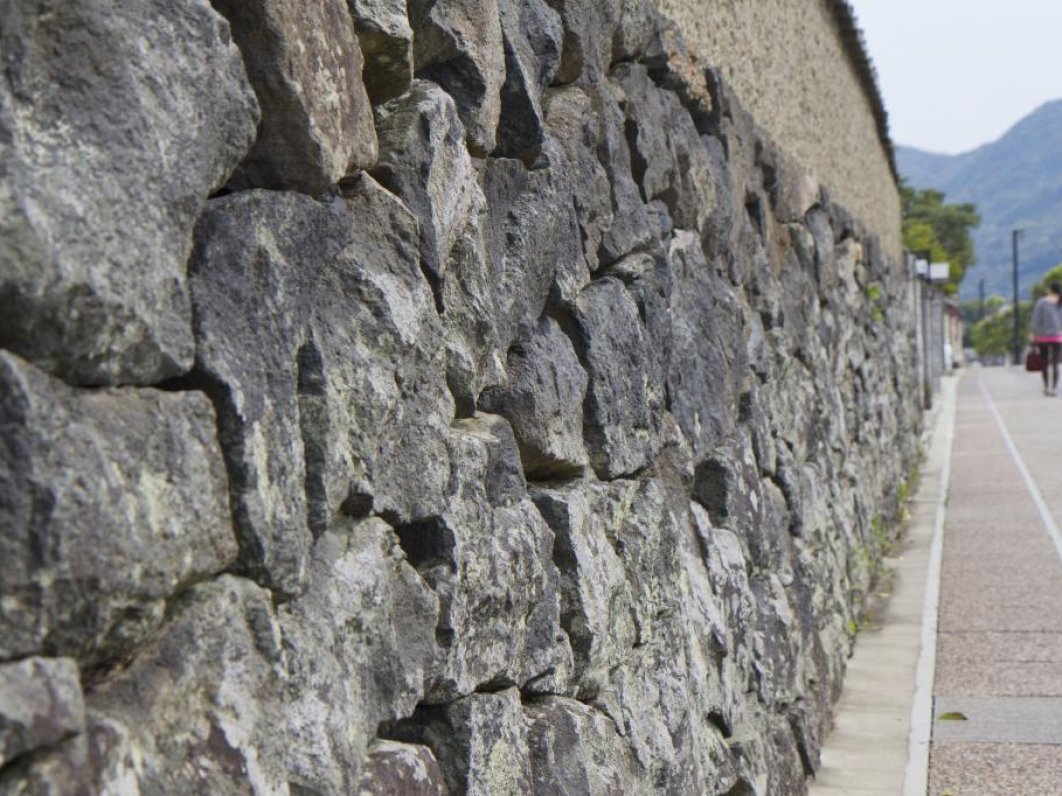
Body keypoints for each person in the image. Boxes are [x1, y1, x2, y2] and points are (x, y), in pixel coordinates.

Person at [1030, 281, 1062, 395]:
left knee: (1044, 363)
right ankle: (1054, 388)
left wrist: (1033, 333)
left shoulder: (1041, 302)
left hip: (1043, 337)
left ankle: (1046, 387)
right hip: (1057, 337)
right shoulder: (1060, 302)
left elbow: (1035, 319)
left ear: (1050, 289)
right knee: (1055, 364)